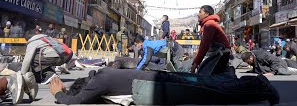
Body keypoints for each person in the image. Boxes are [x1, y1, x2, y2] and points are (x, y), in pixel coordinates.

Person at [48, 67, 280, 105]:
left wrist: (60, 93)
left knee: (214, 94)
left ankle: (260, 87)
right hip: (165, 77)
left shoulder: (98, 82)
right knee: (211, 83)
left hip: (163, 85)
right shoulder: (104, 72)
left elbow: (76, 102)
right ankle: (253, 83)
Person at [191, 5, 230, 75]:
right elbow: (203, 44)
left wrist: (196, 62)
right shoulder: (208, 24)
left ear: (206, 14)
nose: (198, 14)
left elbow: (205, 45)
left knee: (207, 77)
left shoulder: (209, 25)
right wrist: (196, 59)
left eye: (200, 12)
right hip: (219, 54)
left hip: (221, 55)